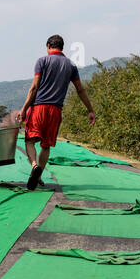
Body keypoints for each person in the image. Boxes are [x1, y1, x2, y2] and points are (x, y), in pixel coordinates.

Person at [19, 34, 95, 190]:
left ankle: (34, 166)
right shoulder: (71, 66)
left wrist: (24, 109)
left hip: (39, 107)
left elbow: (34, 88)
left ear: (48, 46)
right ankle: (38, 175)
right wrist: (90, 110)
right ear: (62, 47)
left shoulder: (42, 61)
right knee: (46, 146)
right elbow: (80, 89)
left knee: (29, 141)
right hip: (55, 110)